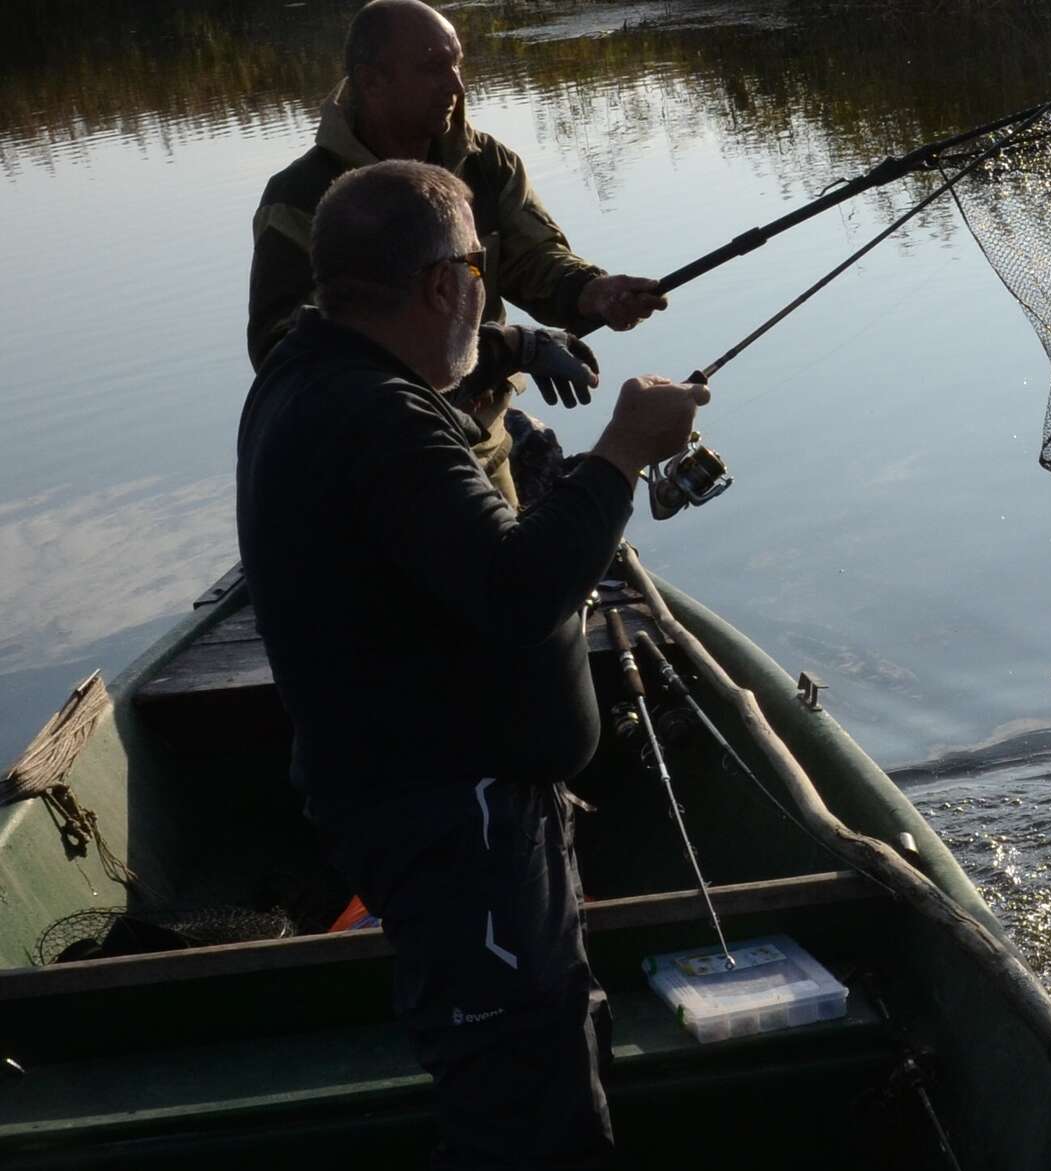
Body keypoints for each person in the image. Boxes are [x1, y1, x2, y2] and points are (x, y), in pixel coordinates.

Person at [236, 158, 708, 1168]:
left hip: (447, 807)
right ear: (444, 284)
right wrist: (618, 453)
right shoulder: (377, 420)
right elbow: (515, 590)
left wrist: (515, 352)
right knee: (520, 1104)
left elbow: (461, 559)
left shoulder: (316, 371)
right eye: (479, 278)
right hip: (452, 818)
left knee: (546, 1048)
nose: (485, 296)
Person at [248, 0, 669, 505]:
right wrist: (511, 347)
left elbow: (533, 259)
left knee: (547, 550)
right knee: (514, 569)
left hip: (483, 422)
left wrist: (592, 292)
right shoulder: (298, 196)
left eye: (457, 64)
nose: (456, 86)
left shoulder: (487, 164)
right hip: (375, 449)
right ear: (372, 80)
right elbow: (281, 349)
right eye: (432, 68)